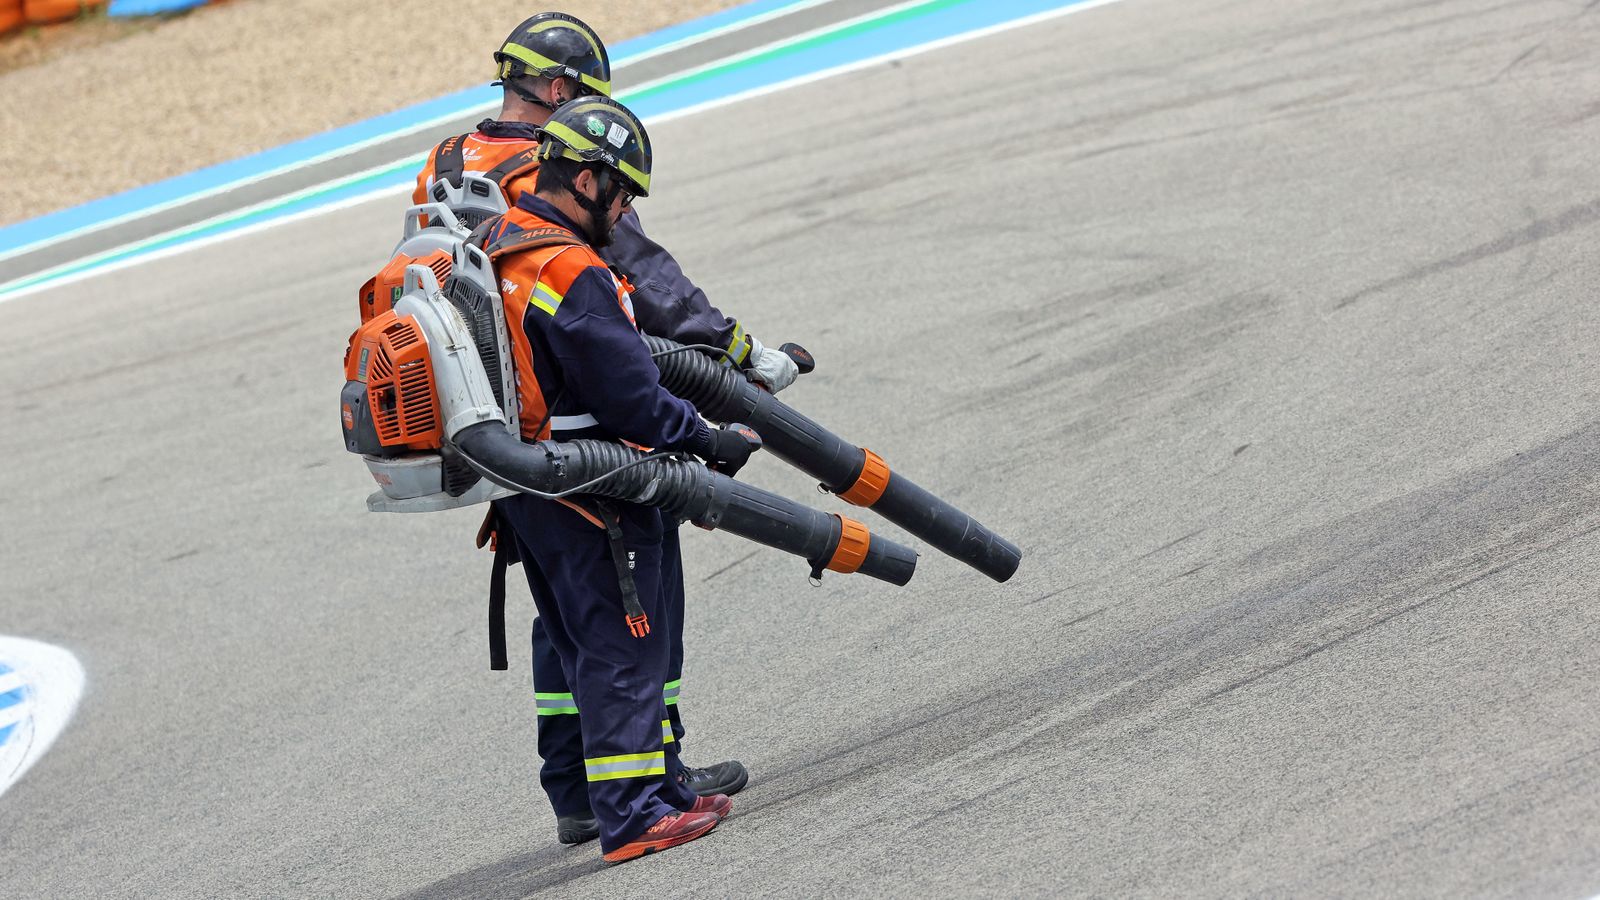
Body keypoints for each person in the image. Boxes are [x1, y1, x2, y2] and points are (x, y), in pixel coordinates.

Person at [419, 13, 802, 846]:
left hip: (504, 441)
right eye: (621, 193)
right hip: (590, 457)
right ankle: (640, 795)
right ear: (562, 95)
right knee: (629, 624)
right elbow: (645, 295)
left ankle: (586, 788)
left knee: (569, 625)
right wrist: (733, 369)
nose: (624, 205)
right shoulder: (560, 212)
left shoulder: (449, 170)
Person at [483, 94, 754, 863]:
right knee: (623, 645)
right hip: (594, 491)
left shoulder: (499, 241)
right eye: (624, 191)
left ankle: (657, 789)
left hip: (529, 491)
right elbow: (630, 394)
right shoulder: (571, 269)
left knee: (582, 645)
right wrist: (708, 438)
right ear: (588, 181)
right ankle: (633, 814)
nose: (627, 208)